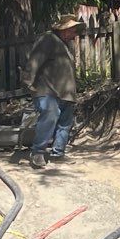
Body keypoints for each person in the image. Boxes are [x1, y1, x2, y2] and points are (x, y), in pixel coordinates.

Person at [23, 15, 79, 169]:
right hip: (48, 90)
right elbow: (35, 60)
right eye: (72, 29)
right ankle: (38, 152)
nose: (75, 32)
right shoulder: (48, 39)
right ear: (64, 29)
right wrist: (28, 81)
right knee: (50, 118)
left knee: (64, 124)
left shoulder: (64, 44)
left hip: (66, 93)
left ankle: (58, 153)